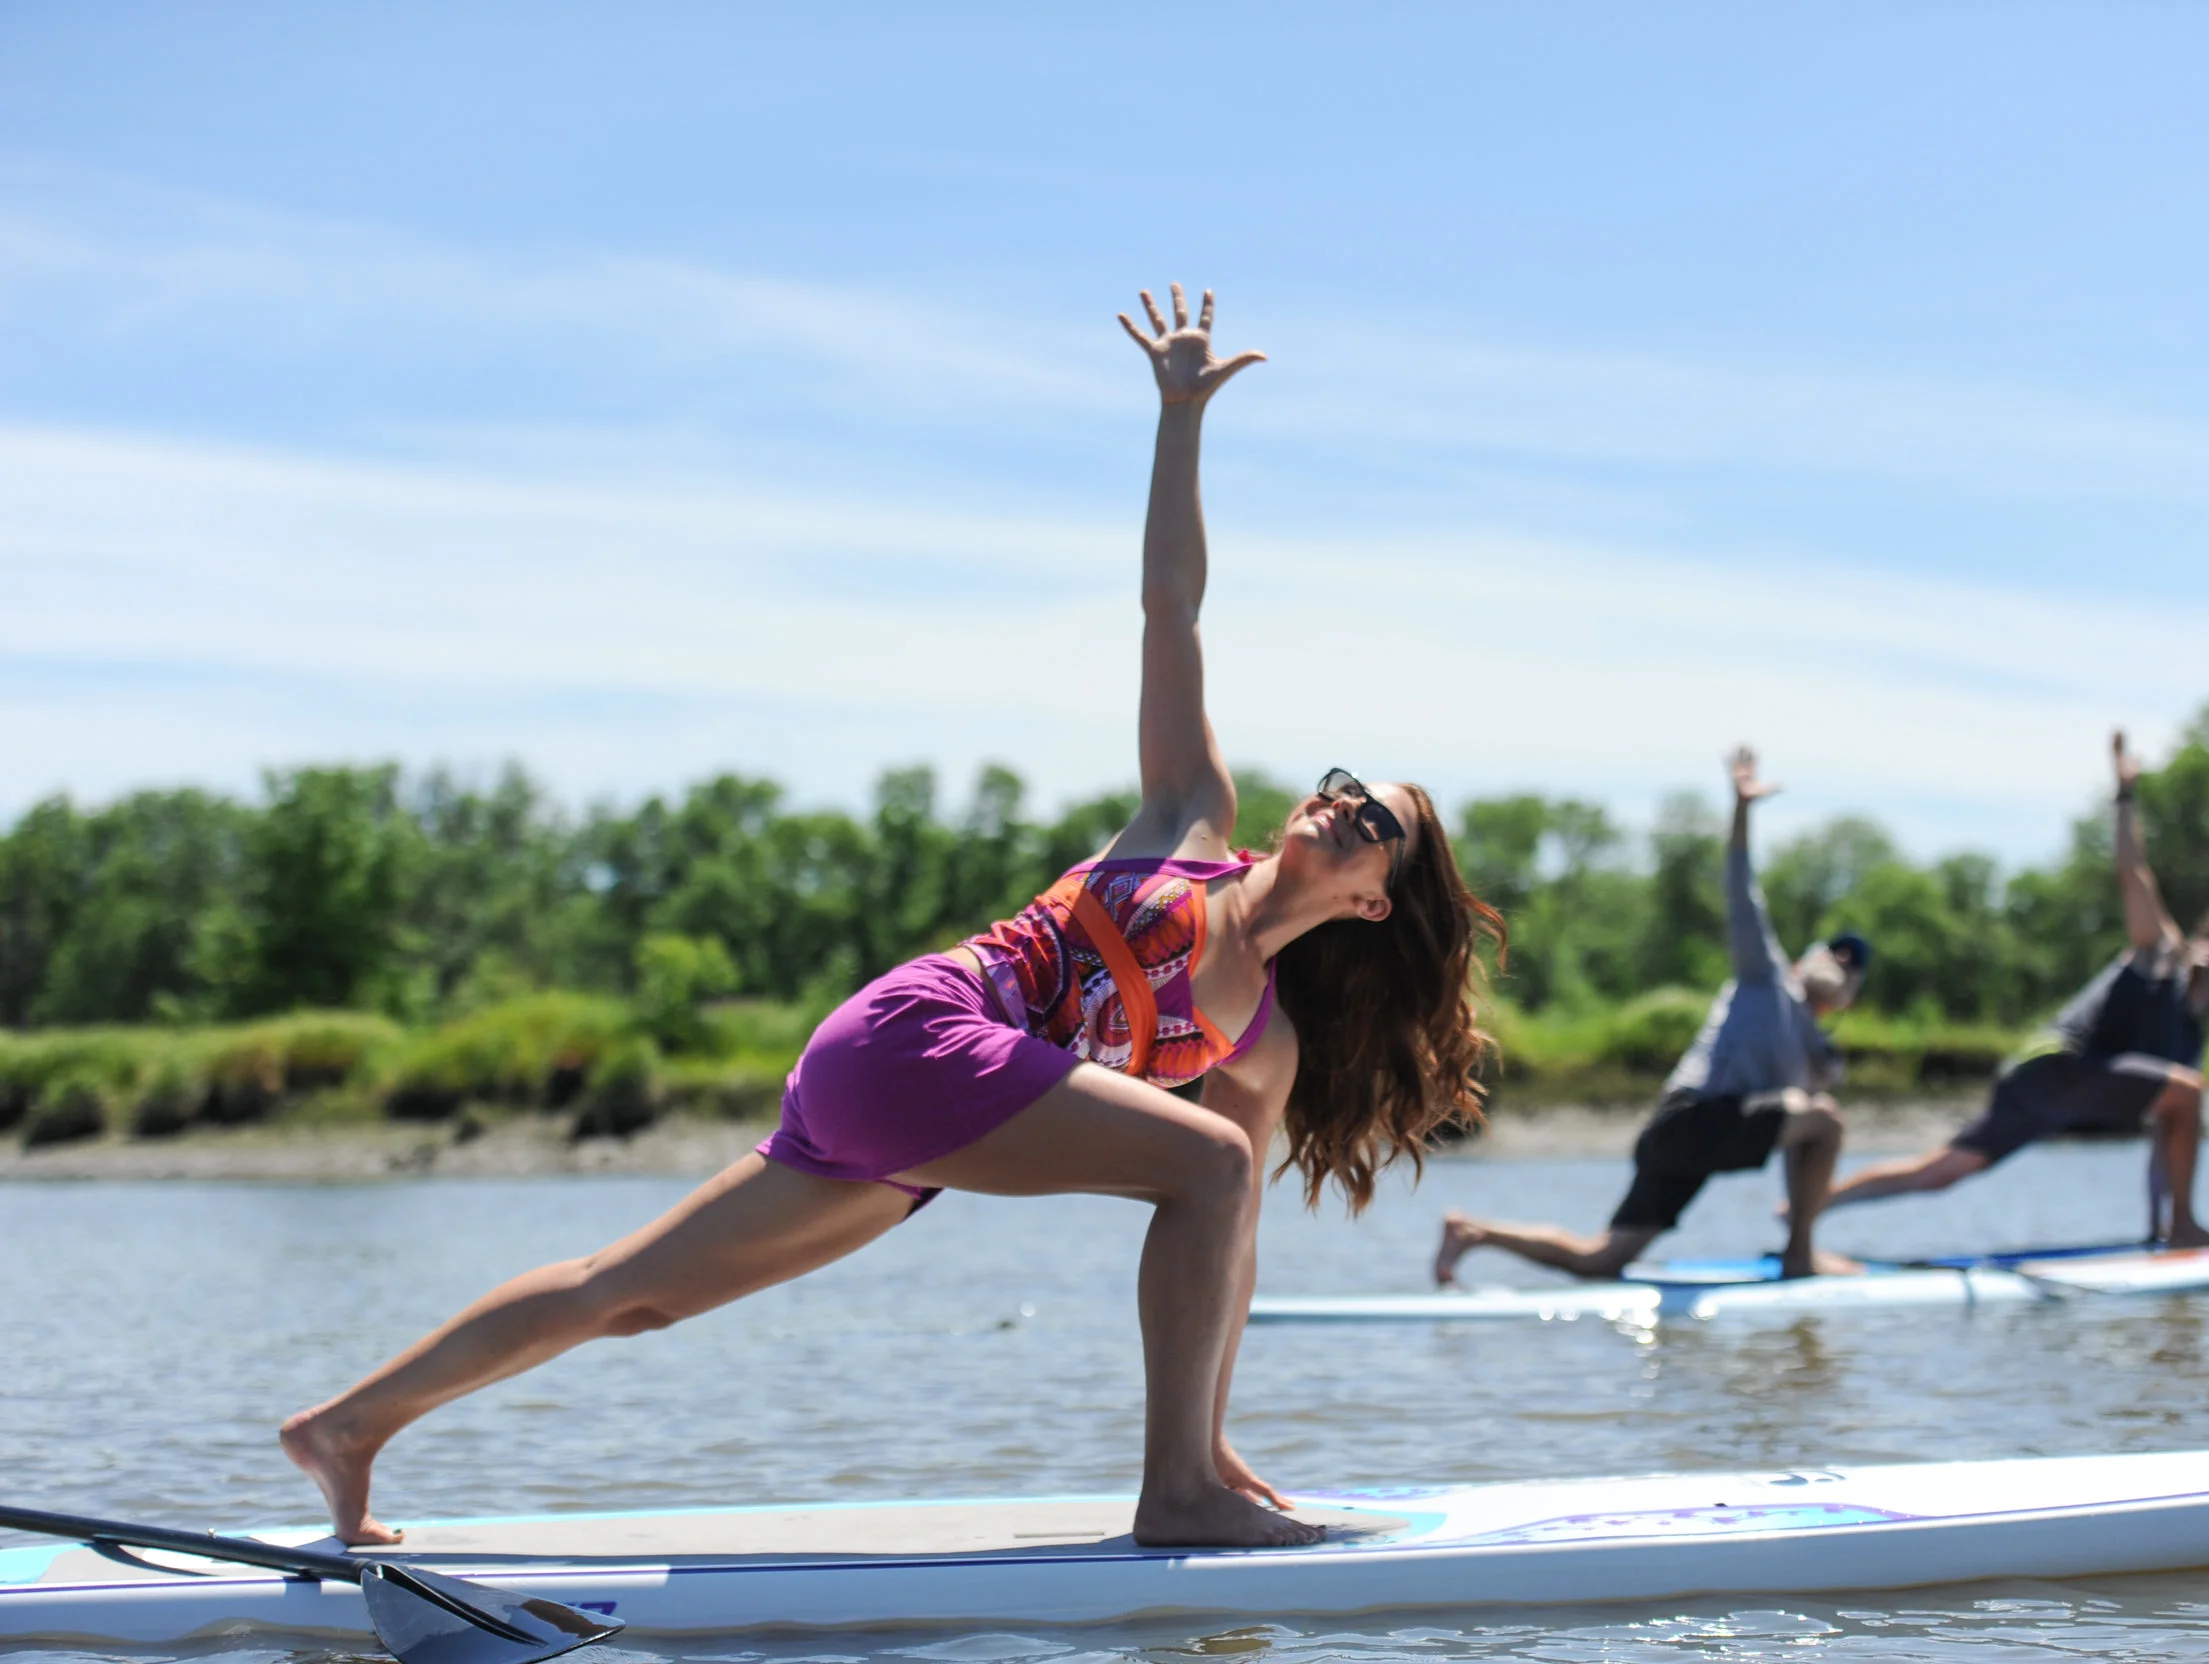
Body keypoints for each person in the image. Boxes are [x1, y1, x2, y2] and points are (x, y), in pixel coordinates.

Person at [280, 286, 1502, 1552]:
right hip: (917, 1034)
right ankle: (1171, 1495)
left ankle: (348, 1426)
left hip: (917, 1134)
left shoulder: (1264, 1045)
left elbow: (1226, 1252)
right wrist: (1178, 419)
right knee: (1211, 1159)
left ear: (1375, 901)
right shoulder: (1191, 817)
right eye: (1349, 786)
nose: (1347, 808)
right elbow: (1170, 612)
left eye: (1380, 826)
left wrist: (1214, 1424)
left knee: (631, 1294)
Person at [1820, 731, 2209, 1247]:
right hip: (2055, 1067)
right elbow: (2132, 873)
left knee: (1941, 1171)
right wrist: (2125, 793)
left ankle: (1807, 1207)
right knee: (2188, 1093)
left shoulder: (2190, 1043)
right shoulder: (2160, 955)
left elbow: (2164, 1139)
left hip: (2049, 1094)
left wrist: (2155, 1230)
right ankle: (2187, 1228)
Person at [1434, 747, 1868, 1285]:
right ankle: (1802, 1258)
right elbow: (1740, 887)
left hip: (1704, 1144)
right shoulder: (1765, 974)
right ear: (1806, 959)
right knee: (1825, 1117)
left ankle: (1472, 1232)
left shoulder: (1819, 1054)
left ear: (1849, 998)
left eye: (1852, 967)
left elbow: (1800, 1146)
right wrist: (1740, 809)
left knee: (1604, 1260)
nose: (1840, 962)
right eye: (1834, 951)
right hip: (1686, 1122)